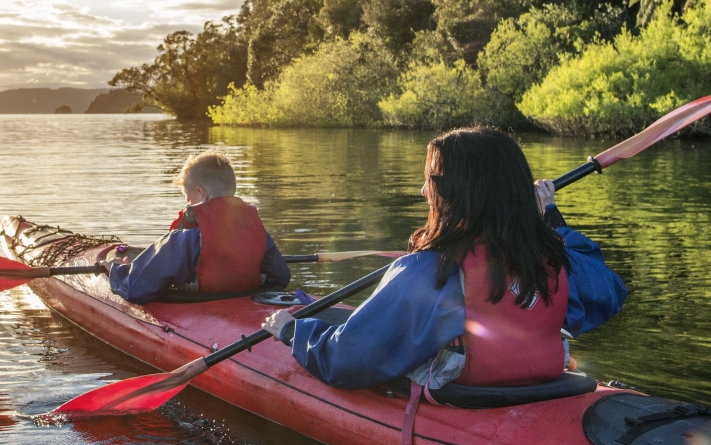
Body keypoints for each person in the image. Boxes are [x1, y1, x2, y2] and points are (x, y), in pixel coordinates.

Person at [267, 126, 626, 411]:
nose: (424, 191)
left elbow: (349, 358)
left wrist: (293, 333)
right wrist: (549, 218)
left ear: (455, 193)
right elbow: (607, 292)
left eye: (432, 180)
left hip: (468, 392)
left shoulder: (428, 273)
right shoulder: (554, 258)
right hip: (544, 385)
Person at [107, 151, 291, 303]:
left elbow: (135, 289)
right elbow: (281, 278)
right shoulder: (258, 232)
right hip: (246, 311)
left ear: (201, 193)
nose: (187, 205)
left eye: (188, 199)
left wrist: (115, 270)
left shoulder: (184, 240)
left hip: (202, 309)